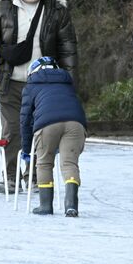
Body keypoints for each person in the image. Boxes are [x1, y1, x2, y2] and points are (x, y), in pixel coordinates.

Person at [0, 0, 77, 194]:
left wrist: (68, 82)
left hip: (45, 84)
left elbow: (68, 48)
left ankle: (36, 175)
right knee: (12, 130)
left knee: (42, 130)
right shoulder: (3, 8)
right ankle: (10, 175)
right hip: (10, 80)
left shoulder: (56, 10)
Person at [20, 56, 87, 216]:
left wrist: (26, 149)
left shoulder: (31, 85)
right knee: (69, 163)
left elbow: (25, 120)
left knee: (44, 163)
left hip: (46, 124)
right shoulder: (66, 82)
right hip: (76, 123)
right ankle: (71, 205)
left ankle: (45, 205)